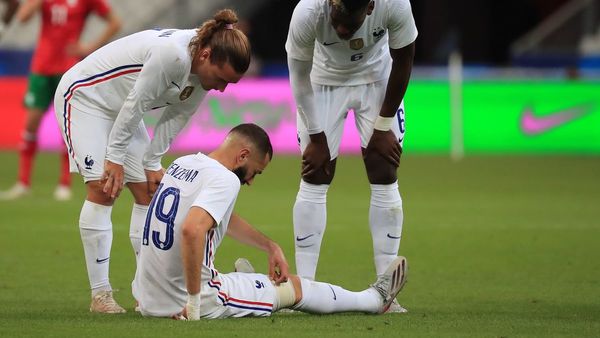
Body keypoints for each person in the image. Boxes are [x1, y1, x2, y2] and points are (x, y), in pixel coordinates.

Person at [52, 9, 251, 313]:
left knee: (148, 190)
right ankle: (100, 295)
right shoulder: (172, 56)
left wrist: (152, 162)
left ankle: (147, 293)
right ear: (206, 55)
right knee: (103, 189)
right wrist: (114, 159)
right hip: (86, 98)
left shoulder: (202, 73)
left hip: (122, 112)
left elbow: (176, 116)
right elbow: (137, 104)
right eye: (222, 79)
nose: (221, 88)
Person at [132, 123, 408, 319]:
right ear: (243, 155)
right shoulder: (225, 179)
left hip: (149, 300)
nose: (250, 181)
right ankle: (374, 300)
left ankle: (246, 283)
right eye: (255, 172)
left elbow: (213, 216)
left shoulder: (185, 162)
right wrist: (193, 304)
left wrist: (270, 246)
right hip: (195, 299)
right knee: (293, 289)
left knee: (244, 279)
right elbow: (192, 229)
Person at [285, 0, 417, 313]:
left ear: (370, 8)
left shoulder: (395, 5)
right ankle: (304, 288)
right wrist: (316, 137)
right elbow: (298, 75)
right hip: (321, 83)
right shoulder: (307, 12)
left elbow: (404, 59)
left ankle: (387, 292)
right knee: (315, 173)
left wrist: (383, 125)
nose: (342, 29)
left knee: (384, 169)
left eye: (350, 20)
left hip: (377, 80)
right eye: (337, 18)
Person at [0, 0, 121, 201]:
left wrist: (90, 47)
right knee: (30, 124)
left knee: (67, 129)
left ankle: (64, 183)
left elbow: (115, 22)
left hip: (68, 71)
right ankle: (23, 183)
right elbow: (22, 18)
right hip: (41, 67)